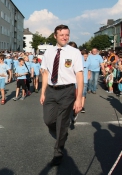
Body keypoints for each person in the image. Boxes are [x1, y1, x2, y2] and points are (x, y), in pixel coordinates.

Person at [40, 25, 83, 166]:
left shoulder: (75, 52)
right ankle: (61, 131)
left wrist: (79, 98)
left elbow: (79, 75)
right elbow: (45, 73)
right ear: (55, 36)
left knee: (62, 122)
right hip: (51, 90)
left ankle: (58, 150)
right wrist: (43, 92)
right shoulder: (49, 52)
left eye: (67, 35)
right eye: (61, 35)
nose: (65, 37)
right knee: (48, 120)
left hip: (67, 91)